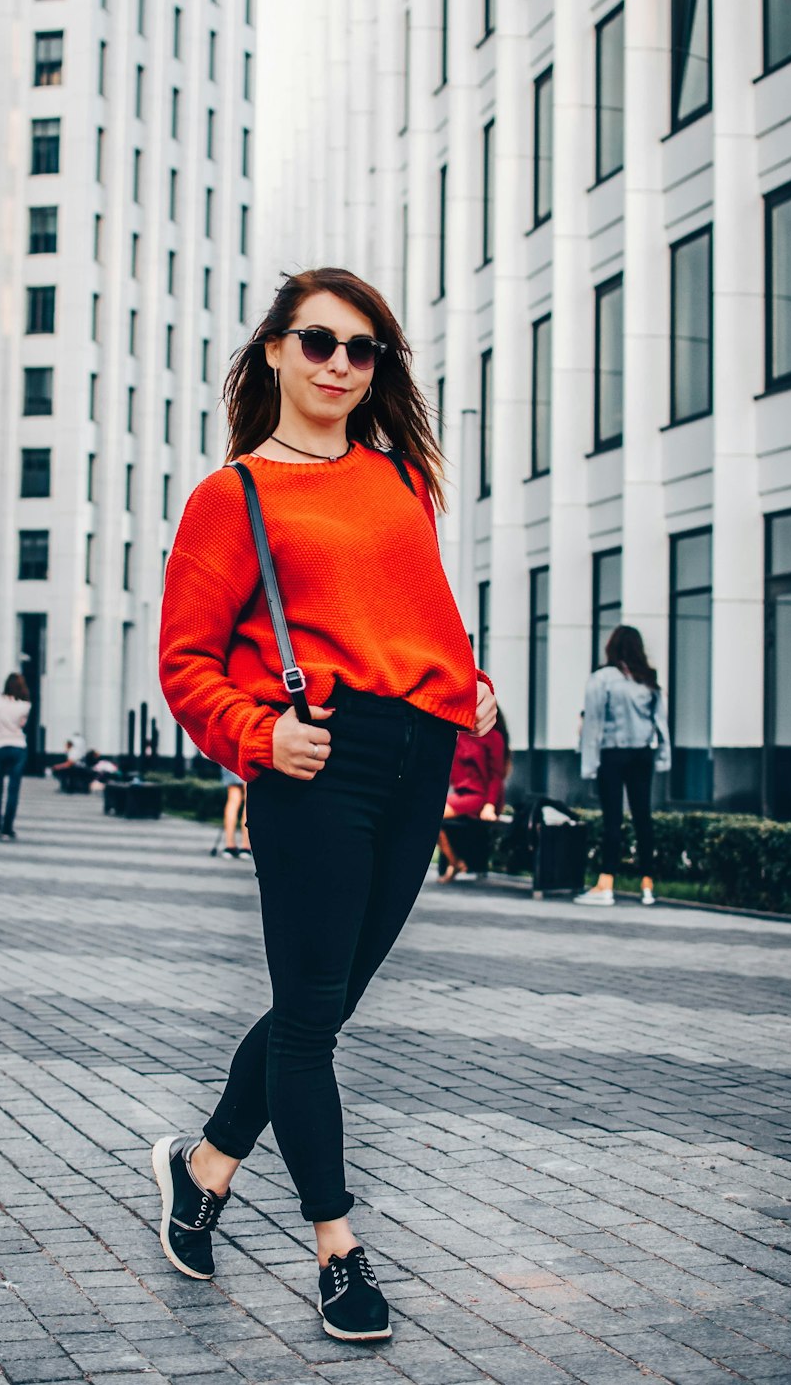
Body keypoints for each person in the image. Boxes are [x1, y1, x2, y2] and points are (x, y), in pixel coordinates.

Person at [156, 267, 497, 1343]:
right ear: (273, 352)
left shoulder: (400, 481)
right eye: (319, 342)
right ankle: (337, 1247)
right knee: (310, 1017)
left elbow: (426, 614)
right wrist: (260, 736)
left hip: (418, 754)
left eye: (363, 350)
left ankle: (204, 1164)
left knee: (326, 1003)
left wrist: (466, 688)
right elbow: (185, 663)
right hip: (315, 762)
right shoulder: (235, 494)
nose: (341, 365)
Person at [577, 625, 671, 907]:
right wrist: (665, 755)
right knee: (643, 817)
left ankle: (606, 882)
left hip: (613, 753)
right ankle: (647, 884)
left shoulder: (602, 678)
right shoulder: (647, 679)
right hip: (642, 753)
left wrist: (588, 763)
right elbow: (661, 722)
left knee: (612, 818)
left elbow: (593, 722)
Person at [437, 706, 511, 882]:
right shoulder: (460, 735)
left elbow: (496, 776)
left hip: (481, 798)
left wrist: (490, 806)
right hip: (462, 796)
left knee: (430, 817)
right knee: (427, 816)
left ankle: (454, 863)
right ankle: (454, 861)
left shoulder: (493, 737)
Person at [0, 673, 31, 839]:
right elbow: (22, 724)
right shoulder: (25, 705)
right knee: (13, 790)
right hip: (17, 746)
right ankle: (7, 828)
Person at [219, 767, 251, 860]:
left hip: (230, 757)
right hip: (249, 756)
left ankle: (229, 846)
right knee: (248, 799)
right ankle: (245, 846)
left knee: (232, 799)